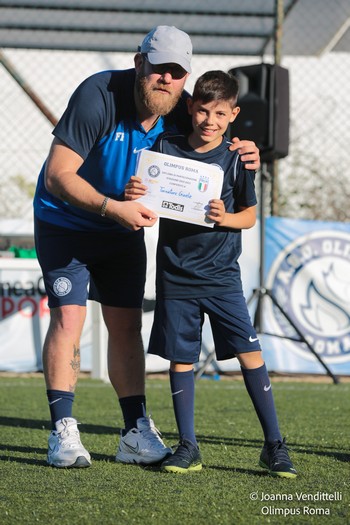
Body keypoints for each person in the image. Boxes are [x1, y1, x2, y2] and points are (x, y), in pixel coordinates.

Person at [33, 26, 261, 469]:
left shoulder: (182, 108)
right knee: (69, 317)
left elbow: (212, 141)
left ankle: (134, 432)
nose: (166, 80)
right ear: (140, 63)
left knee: (125, 325)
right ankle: (63, 429)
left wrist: (244, 149)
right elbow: (57, 175)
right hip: (68, 223)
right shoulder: (98, 95)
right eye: (159, 69)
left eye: (177, 73)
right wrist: (111, 206)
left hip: (120, 230)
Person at [126, 70, 297, 478]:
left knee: (250, 354)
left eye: (220, 114)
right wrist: (135, 196)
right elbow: (145, 203)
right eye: (203, 111)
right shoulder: (165, 148)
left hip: (222, 277)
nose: (210, 121)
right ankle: (188, 446)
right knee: (181, 360)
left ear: (233, 114)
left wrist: (225, 218)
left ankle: (274, 445)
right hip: (176, 275)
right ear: (190, 108)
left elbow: (250, 217)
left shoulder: (238, 158)